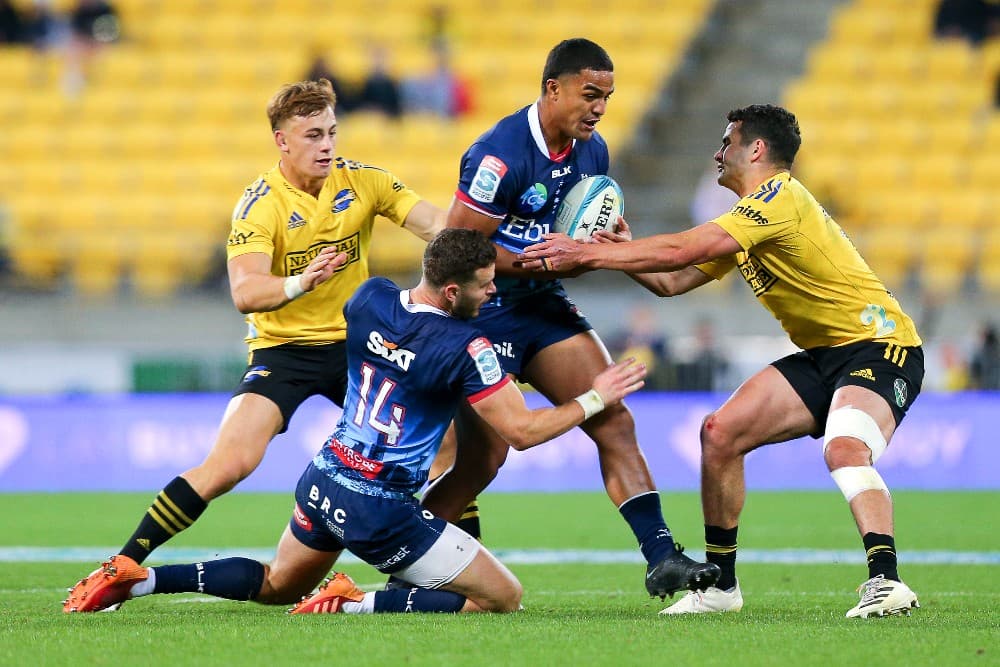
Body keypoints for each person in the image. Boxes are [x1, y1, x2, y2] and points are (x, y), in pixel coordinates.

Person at [62, 229, 648, 614]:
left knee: (277, 584)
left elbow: (383, 339)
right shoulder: (465, 349)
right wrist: (593, 397)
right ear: (451, 291)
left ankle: (138, 579)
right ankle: (351, 602)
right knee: (501, 600)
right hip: (381, 508)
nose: (493, 293)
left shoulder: (369, 298)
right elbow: (520, 433)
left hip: (326, 477)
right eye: (485, 285)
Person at [519, 104, 926, 619]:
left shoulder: (779, 198)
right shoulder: (747, 220)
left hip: (881, 345)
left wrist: (587, 254)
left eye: (727, 141)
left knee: (844, 446)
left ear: (756, 150)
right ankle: (720, 588)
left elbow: (685, 247)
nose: (718, 152)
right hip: (824, 355)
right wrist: (620, 248)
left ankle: (886, 581)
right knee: (720, 434)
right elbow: (672, 280)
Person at [62, 78, 449, 606]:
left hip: (358, 349)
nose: (327, 145)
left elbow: (439, 226)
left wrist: (484, 234)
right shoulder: (260, 205)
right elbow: (245, 292)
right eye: (313, 135)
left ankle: (437, 570)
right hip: (283, 351)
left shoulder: (365, 182)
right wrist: (300, 282)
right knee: (231, 463)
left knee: (448, 444)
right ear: (282, 141)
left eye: (332, 132)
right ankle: (125, 562)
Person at [420, 37, 721, 601]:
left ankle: (661, 557)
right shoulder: (500, 155)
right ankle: (409, 555)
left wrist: (594, 249)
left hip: (541, 305)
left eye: (607, 96)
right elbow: (456, 250)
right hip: (481, 311)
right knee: (482, 459)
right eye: (590, 94)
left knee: (615, 419)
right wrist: (542, 259)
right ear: (552, 89)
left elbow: (584, 238)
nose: (600, 108)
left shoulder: (594, 153)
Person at [968, 322, 1000, 389]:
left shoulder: (979, 352)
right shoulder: (980, 352)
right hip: (988, 388)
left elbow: (974, 374)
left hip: (987, 389)